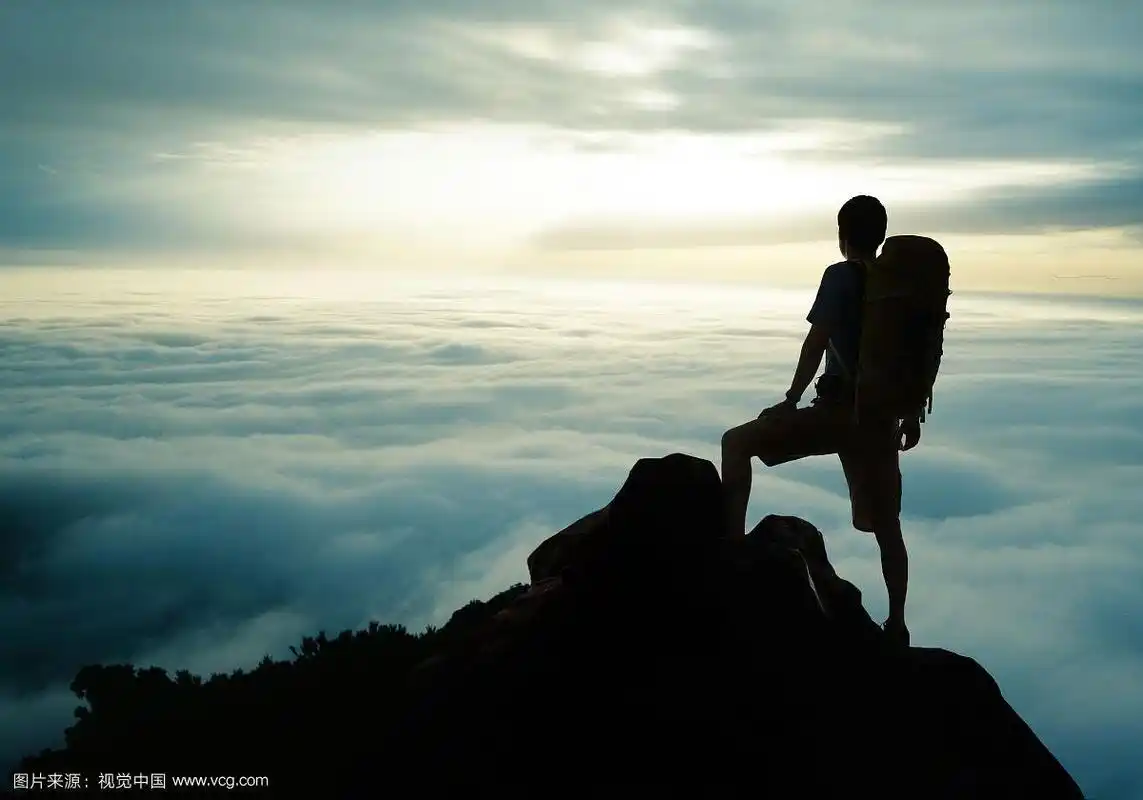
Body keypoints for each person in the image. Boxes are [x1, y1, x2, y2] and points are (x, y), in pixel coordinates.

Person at [720, 195, 920, 647]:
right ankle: (898, 624)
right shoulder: (897, 287)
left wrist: (790, 399)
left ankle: (728, 554)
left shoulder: (841, 276)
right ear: (882, 234)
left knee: (736, 443)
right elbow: (908, 357)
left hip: (836, 415)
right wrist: (909, 413)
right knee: (888, 527)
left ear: (842, 234)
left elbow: (817, 342)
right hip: (879, 422)